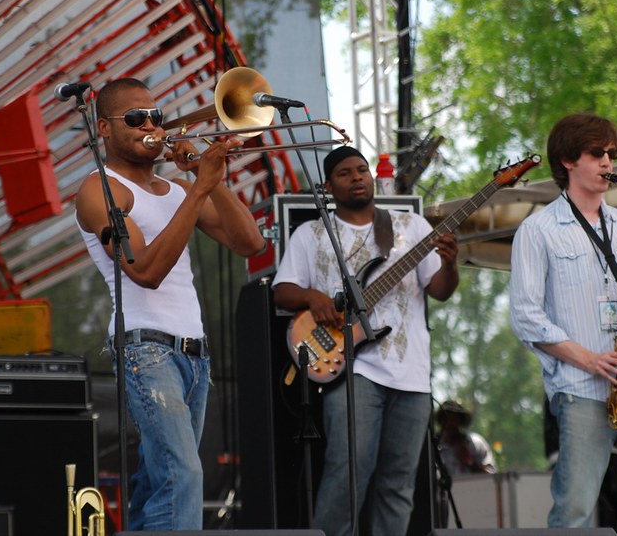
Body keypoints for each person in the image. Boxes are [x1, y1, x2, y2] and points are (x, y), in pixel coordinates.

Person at [74, 77, 264, 530]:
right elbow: (146, 272)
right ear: (104, 128)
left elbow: (250, 242)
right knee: (183, 475)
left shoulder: (177, 191)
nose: (151, 126)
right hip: (145, 349)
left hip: (194, 355)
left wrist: (206, 179)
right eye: (135, 119)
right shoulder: (103, 190)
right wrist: (198, 189)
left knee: (159, 479)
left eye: (155, 117)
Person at [272, 145, 459, 536]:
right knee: (348, 474)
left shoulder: (411, 227)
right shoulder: (312, 233)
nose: (357, 176)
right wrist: (312, 296)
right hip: (353, 370)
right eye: (345, 173)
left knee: (399, 484)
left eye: (362, 169)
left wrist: (451, 262)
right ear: (328, 186)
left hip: (412, 375)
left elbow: (440, 290)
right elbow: (281, 292)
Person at [509, 112, 617, 534]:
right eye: (596, 153)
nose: (608, 163)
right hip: (581, 388)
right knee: (575, 514)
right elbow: (526, 317)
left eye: (612, 154)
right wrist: (591, 360)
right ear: (567, 160)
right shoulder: (537, 230)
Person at [435, 399, 496, 478]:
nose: (450, 423)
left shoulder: (476, 443)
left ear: (461, 421)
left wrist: (469, 460)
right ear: (440, 421)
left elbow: (492, 477)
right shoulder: (433, 448)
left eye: (454, 419)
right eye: (446, 418)